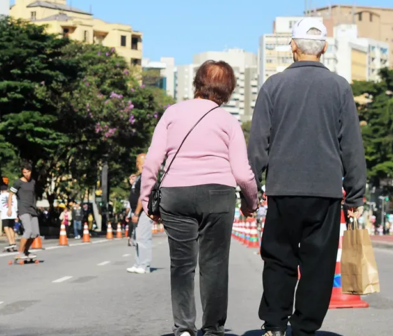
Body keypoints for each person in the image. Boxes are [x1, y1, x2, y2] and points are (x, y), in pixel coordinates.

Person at [248, 18, 366, 336]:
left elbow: (259, 143)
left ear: (293, 47)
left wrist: (249, 189)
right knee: (319, 264)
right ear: (325, 48)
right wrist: (355, 194)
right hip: (326, 191)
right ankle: (304, 329)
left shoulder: (273, 86)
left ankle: (274, 324)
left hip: (283, 189)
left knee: (279, 257)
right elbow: (351, 145)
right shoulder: (340, 87)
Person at [140, 60, 258, 336]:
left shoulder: (172, 113)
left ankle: (183, 328)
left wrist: (147, 199)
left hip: (175, 194)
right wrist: (250, 203)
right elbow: (242, 172)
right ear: (228, 90)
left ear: (197, 83)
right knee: (214, 264)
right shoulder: (228, 121)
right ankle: (213, 329)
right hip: (218, 195)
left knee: (181, 264)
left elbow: (153, 160)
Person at [128, 154, 153, 274]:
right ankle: (138, 263)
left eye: (138, 161)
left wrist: (137, 213)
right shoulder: (139, 176)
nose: (137, 164)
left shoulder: (146, 176)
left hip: (143, 212)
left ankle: (145, 265)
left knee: (143, 238)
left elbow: (143, 196)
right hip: (137, 211)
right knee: (138, 238)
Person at [8, 162, 39, 259]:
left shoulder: (33, 182)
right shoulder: (18, 182)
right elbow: (10, 194)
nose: (26, 174)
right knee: (28, 231)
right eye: (24, 172)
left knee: (35, 233)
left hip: (32, 209)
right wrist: (10, 208)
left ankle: (26, 251)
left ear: (31, 171)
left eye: (28, 172)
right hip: (23, 209)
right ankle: (20, 252)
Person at [0, 185, 18, 250]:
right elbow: (15, 204)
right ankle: (13, 242)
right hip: (12, 213)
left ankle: (10, 242)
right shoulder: (13, 195)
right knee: (11, 228)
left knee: (6, 227)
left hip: (5, 213)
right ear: (7, 189)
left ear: (1, 191)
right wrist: (15, 212)